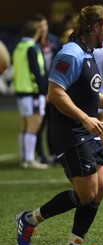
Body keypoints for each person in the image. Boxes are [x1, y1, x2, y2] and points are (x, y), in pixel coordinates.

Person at [16, 5, 103, 245]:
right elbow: (55, 93)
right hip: (70, 130)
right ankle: (29, 219)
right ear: (93, 28)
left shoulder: (87, 53)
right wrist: (84, 117)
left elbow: (89, 93)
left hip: (87, 129)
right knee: (85, 194)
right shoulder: (70, 54)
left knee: (99, 189)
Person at [13, 20, 48, 169]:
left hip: (21, 92)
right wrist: (44, 91)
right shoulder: (32, 48)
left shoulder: (19, 47)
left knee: (26, 126)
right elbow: (36, 72)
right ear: (37, 32)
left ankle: (24, 158)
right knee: (33, 127)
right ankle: (29, 160)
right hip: (33, 93)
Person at [32, 14, 61, 164]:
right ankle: (40, 154)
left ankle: (54, 153)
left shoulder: (55, 41)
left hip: (54, 87)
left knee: (54, 123)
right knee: (38, 123)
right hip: (39, 89)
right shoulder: (32, 44)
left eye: (44, 25)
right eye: (39, 26)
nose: (42, 28)